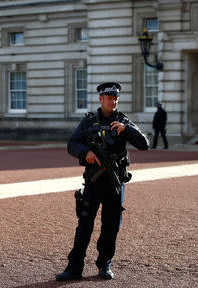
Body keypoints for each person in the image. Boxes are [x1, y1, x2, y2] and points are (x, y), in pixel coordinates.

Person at [56, 82, 149, 282]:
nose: (113, 101)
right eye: (109, 98)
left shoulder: (123, 121)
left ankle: (105, 264)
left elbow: (144, 144)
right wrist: (86, 152)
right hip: (93, 181)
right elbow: (72, 144)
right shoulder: (88, 121)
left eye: (115, 98)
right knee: (84, 225)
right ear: (101, 99)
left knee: (111, 226)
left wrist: (127, 130)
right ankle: (74, 267)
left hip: (115, 184)